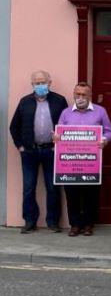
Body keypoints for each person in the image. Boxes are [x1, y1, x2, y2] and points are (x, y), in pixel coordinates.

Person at [9, 70, 69, 233]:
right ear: (32, 84)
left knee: (53, 187)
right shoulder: (25, 102)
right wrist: (20, 146)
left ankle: (53, 222)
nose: (40, 85)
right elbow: (14, 126)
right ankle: (29, 221)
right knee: (28, 187)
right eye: (37, 82)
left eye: (43, 82)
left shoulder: (59, 101)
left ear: (50, 83)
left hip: (51, 150)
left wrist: (61, 145)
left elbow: (66, 124)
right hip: (29, 152)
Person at [54, 82, 111, 237]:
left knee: (91, 194)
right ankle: (74, 225)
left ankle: (88, 224)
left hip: (91, 162)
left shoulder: (100, 112)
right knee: (71, 193)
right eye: (78, 94)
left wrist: (105, 140)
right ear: (74, 95)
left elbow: (110, 131)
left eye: (84, 94)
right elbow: (59, 133)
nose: (80, 97)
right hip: (70, 163)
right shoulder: (65, 113)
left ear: (90, 96)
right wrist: (56, 137)